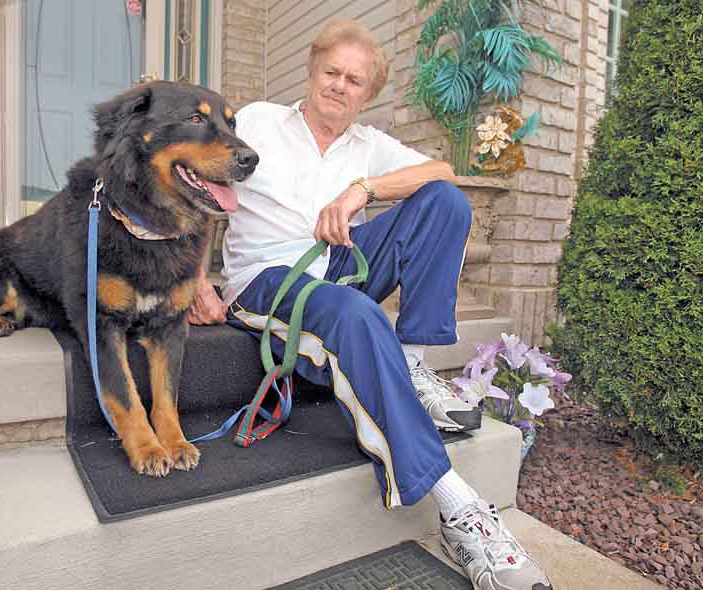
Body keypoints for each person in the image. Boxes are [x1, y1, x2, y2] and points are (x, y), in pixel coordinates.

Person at [189, 20, 553, 590]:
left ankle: (408, 360)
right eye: (331, 72)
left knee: (444, 202)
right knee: (355, 315)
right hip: (268, 282)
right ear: (312, 72)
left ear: (368, 95)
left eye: (354, 81)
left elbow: (440, 172)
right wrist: (194, 278)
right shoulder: (256, 121)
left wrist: (364, 190)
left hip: (340, 269)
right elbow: (197, 185)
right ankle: (460, 509)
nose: (339, 86)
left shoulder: (369, 145)